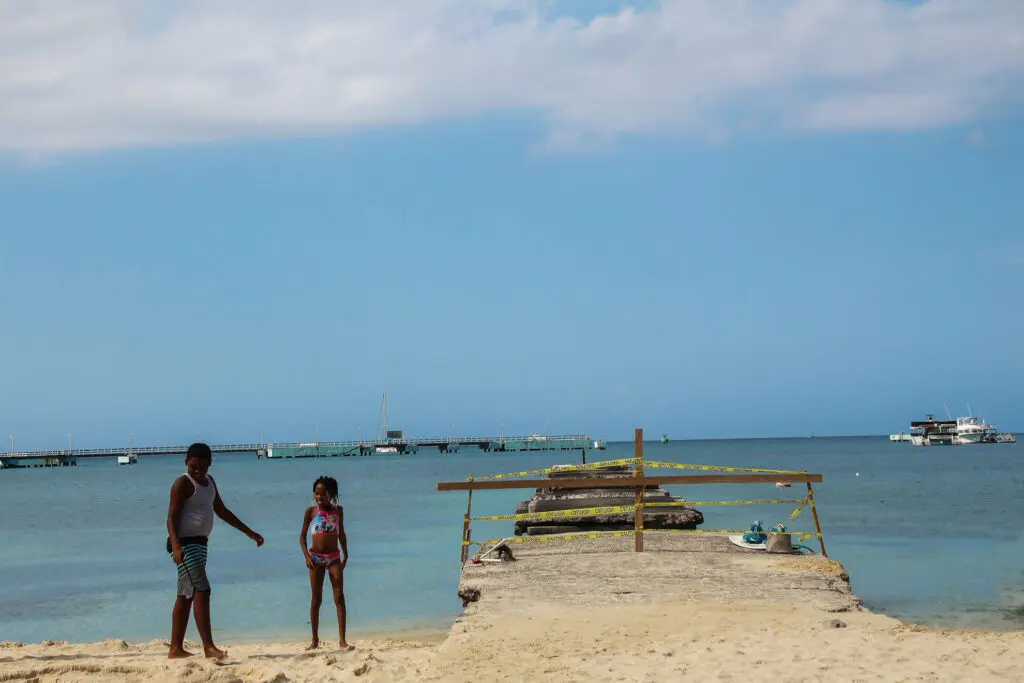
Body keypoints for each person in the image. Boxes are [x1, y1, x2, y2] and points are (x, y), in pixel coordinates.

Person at [166, 442, 264, 660]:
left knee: (186, 595)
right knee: (203, 589)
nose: (198, 471)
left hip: (201, 544)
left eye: (202, 467)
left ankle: (175, 649)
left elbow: (221, 510)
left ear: (210, 464)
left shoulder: (210, 482)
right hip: (184, 545)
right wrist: (175, 547)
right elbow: (171, 518)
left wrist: (249, 532)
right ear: (186, 463)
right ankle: (208, 647)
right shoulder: (182, 483)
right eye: (194, 467)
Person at [299, 475, 352, 651]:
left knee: (339, 597)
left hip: (334, 558)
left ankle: (342, 640)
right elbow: (302, 537)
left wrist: (346, 554)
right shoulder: (311, 512)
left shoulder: (338, 511)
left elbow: (341, 534)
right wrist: (307, 556)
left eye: (323, 494)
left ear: (331, 494)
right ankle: (314, 640)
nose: (319, 497)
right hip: (315, 559)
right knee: (316, 599)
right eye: (316, 493)